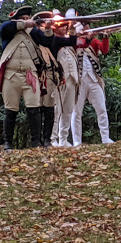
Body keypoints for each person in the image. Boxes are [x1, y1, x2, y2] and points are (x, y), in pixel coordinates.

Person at [0, 6, 75, 151]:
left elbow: (47, 42)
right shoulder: (10, 31)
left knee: (34, 109)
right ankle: (8, 143)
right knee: (10, 110)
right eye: (23, 19)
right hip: (11, 75)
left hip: (30, 75)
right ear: (17, 20)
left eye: (28, 18)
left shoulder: (33, 33)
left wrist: (48, 28)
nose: (27, 21)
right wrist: (25, 24)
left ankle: (36, 143)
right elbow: (4, 28)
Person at [32, 11, 76, 147]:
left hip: (60, 77)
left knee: (65, 109)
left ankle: (61, 139)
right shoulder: (40, 37)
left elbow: (72, 41)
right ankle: (51, 138)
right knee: (53, 109)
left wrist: (72, 27)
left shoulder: (55, 38)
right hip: (45, 77)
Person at [71, 26, 114, 146]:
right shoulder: (74, 40)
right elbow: (79, 45)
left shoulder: (94, 41)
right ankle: (76, 141)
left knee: (101, 109)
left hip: (94, 80)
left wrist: (105, 36)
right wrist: (87, 38)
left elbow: (104, 50)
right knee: (76, 112)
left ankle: (105, 138)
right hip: (79, 81)